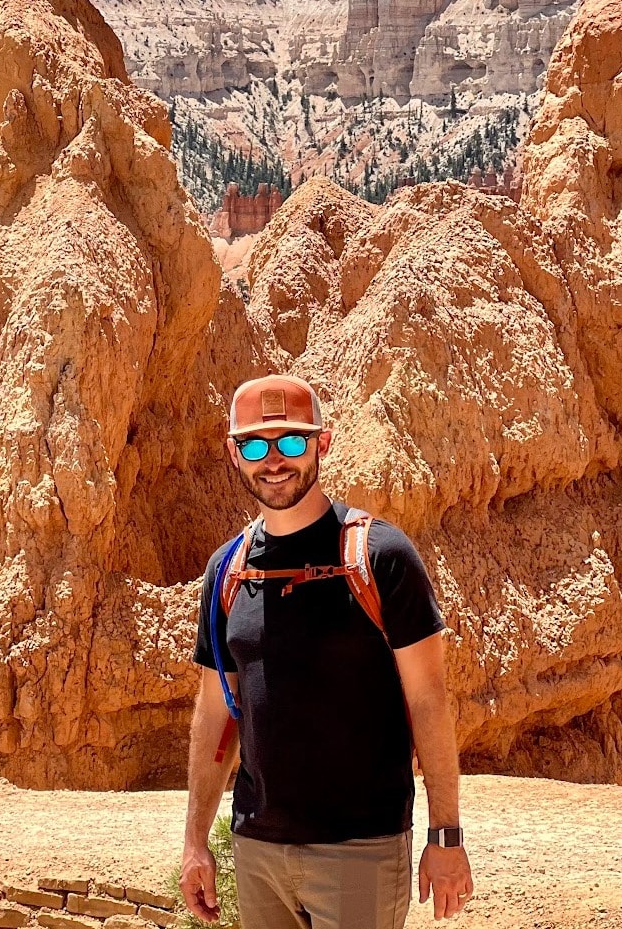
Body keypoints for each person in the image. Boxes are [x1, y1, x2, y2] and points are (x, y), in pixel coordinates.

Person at [180, 374, 473, 928]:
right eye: (255, 445)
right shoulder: (227, 570)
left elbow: (430, 702)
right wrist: (196, 841)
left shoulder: (381, 556)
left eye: (292, 442)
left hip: (360, 849)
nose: (274, 461)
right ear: (233, 453)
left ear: (323, 443)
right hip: (258, 848)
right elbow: (216, 712)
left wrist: (446, 836)